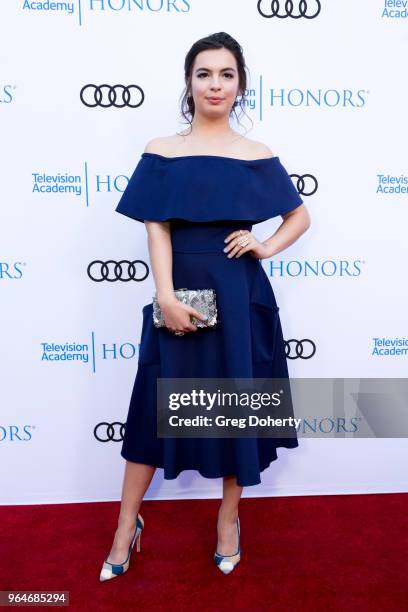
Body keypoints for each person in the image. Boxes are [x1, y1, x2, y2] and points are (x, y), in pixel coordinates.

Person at [99, 31, 311, 581]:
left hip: (241, 298)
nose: (215, 84)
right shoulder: (162, 150)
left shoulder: (256, 154)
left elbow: (298, 216)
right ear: (188, 83)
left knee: (236, 410)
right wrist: (164, 296)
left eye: (226, 74)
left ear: (240, 86)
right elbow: (156, 226)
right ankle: (126, 526)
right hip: (179, 292)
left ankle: (228, 520)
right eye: (204, 74)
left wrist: (263, 245)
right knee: (153, 409)